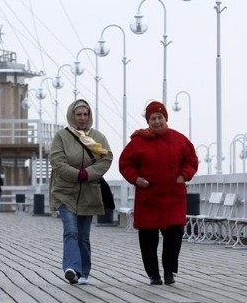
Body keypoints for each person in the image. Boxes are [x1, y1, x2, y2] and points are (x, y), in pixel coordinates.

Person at [119, 101, 199, 285]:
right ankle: (153, 274)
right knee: (148, 238)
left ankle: (169, 271)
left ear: (166, 118)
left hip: (173, 196)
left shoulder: (180, 140)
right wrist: (136, 179)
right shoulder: (138, 142)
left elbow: (191, 161)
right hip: (149, 197)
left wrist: (183, 176)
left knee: (175, 234)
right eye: (153, 118)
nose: (157, 121)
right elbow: (125, 164)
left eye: (160, 117)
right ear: (148, 121)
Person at [49, 99, 113, 286]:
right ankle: (71, 268)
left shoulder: (97, 138)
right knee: (71, 231)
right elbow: (57, 161)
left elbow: (106, 158)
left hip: (89, 193)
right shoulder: (62, 136)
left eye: (85, 114)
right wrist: (78, 175)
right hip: (64, 192)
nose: (82, 118)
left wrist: (89, 174)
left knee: (83, 236)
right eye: (79, 114)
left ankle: (83, 272)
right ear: (72, 115)